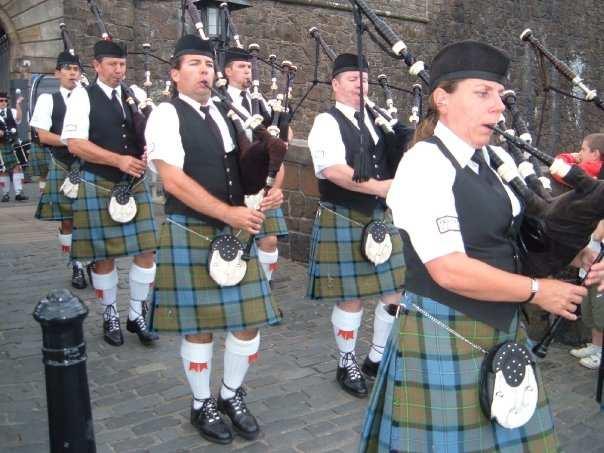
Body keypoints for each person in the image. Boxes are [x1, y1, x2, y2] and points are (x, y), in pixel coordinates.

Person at [360, 40, 604, 452]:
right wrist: (537, 291)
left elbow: (511, 235)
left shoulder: (488, 159)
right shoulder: (425, 164)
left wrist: (575, 251)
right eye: (482, 93)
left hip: (501, 328)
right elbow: (448, 268)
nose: (498, 106)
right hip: (445, 328)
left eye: (499, 95)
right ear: (443, 99)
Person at [145, 34, 283, 445]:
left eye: (208, 66)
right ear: (175, 74)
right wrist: (227, 213)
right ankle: (201, 401)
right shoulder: (165, 114)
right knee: (200, 327)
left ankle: (230, 394)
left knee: (247, 323)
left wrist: (267, 192)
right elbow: (171, 178)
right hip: (192, 228)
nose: (204, 72)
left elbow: (243, 166)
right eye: (194, 65)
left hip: (232, 228)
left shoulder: (226, 112)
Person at [306, 53, 409, 398]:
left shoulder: (377, 120)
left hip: (381, 216)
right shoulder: (327, 121)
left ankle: (377, 357)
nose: (360, 85)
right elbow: (332, 169)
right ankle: (346, 361)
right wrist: (378, 187)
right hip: (345, 216)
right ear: (335, 84)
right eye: (352, 79)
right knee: (352, 298)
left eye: (364, 79)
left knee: (395, 291)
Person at [61, 40, 158, 347]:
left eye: (123, 65)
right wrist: (118, 160)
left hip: (135, 184)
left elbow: (151, 135)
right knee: (104, 256)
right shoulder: (82, 98)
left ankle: (135, 313)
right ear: (97, 66)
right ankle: (110, 312)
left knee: (147, 251)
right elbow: (75, 143)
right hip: (100, 181)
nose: (119, 71)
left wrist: (147, 153)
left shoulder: (136, 95)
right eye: (113, 65)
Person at [224, 48, 288, 285]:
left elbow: (278, 142)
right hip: (234, 178)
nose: (247, 72)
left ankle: (264, 285)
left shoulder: (259, 102)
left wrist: (272, 187)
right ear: (228, 70)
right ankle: (238, 279)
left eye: (249, 67)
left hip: (262, 180)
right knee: (238, 237)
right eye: (242, 67)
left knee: (269, 240)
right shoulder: (220, 100)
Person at [32, 50, 87, 289]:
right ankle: (75, 263)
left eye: (76, 69)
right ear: (57, 73)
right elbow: (42, 135)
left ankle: (90, 257)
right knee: (67, 219)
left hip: (88, 164)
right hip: (63, 163)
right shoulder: (48, 100)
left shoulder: (88, 97)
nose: (72, 73)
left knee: (88, 217)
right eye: (67, 69)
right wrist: (71, 141)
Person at [570, 220, 604, 369]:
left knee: (600, 314)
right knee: (589, 311)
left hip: (600, 275)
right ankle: (596, 346)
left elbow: (598, 235)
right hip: (587, 271)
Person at [0, 91, 26, 201]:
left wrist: (18, 104)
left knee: (17, 167)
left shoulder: (12, 111)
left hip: (14, 143)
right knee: (3, 170)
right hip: (1, 145)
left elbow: (19, 119)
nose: (3, 103)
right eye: (1, 101)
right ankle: (5, 194)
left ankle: (18, 193)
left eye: (5, 101)